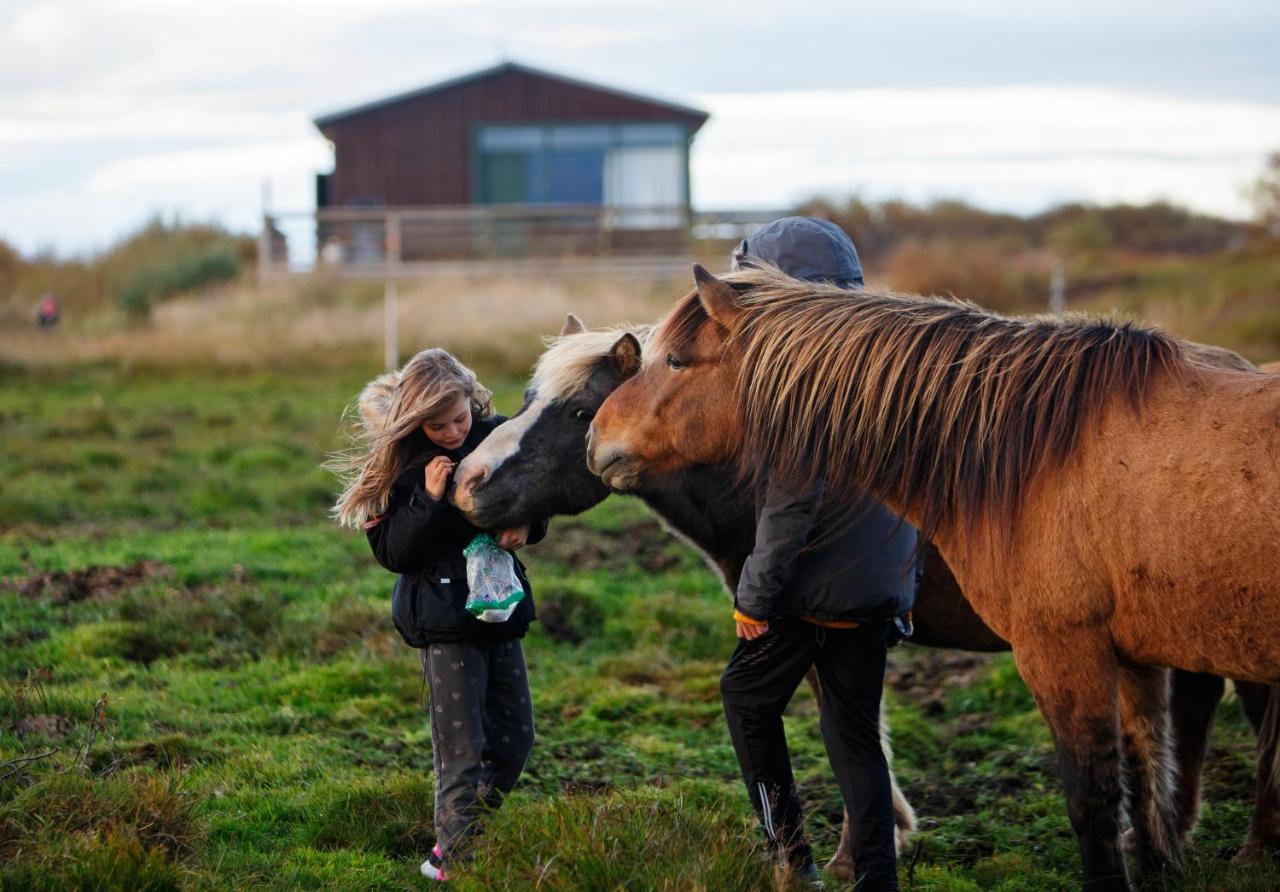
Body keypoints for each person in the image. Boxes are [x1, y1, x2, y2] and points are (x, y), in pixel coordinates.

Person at [720, 217, 918, 891]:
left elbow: (790, 506)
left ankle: (792, 854)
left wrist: (753, 599)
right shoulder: (891, 364)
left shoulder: (797, 376)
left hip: (813, 592)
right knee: (854, 737)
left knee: (745, 698)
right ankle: (876, 880)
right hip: (878, 588)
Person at [332, 348, 545, 882]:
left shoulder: (496, 438)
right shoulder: (398, 464)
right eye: (437, 424)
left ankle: (458, 837)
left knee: (517, 738)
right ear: (415, 420)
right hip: (444, 623)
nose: (452, 432)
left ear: (472, 401)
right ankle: (455, 864)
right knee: (461, 753)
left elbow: (531, 500)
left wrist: (527, 525)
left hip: (500, 611)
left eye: (459, 418)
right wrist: (427, 500)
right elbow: (392, 555)